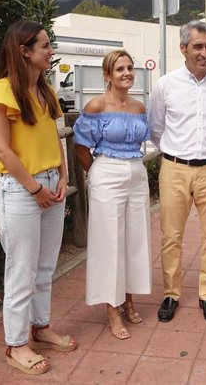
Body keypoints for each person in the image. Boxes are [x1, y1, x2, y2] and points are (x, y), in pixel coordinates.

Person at [0, 20, 77, 375]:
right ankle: (16, 344)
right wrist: (35, 188)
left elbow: (55, 137)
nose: (51, 51)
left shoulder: (45, 91)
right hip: (21, 191)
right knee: (21, 269)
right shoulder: (0, 91)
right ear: (24, 51)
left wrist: (62, 175)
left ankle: (41, 326)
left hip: (51, 183)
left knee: (46, 266)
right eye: (45, 45)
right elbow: (1, 148)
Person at [148, 20, 206, 324]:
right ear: (183, 48)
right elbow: (155, 130)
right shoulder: (165, 85)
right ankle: (171, 294)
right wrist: (177, 154)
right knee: (171, 236)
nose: (204, 52)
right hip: (174, 169)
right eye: (198, 46)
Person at [73, 50, 151, 340]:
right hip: (107, 173)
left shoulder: (139, 106)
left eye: (130, 68)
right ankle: (112, 308)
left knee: (134, 240)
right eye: (120, 69)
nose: (127, 73)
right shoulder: (96, 106)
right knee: (109, 243)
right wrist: (97, 172)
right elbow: (81, 146)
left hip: (136, 173)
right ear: (107, 75)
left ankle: (129, 297)